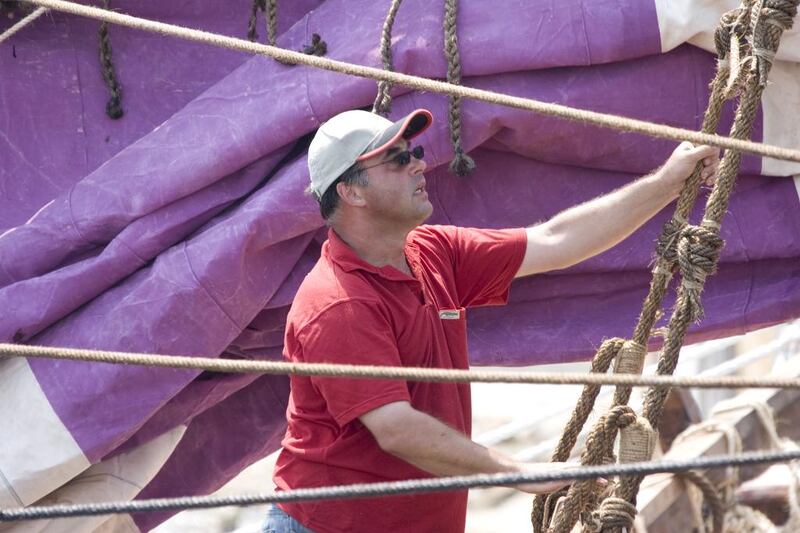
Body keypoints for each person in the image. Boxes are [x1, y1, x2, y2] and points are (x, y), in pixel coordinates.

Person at [263, 109, 720, 533]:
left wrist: (669, 181)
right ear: (351, 191)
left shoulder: (432, 251)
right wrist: (519, 471)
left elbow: (557, 240)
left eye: (416, 153)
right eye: (398, 160)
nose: (419, 165)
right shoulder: (336, 304)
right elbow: (397, 429)